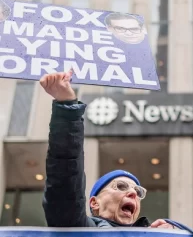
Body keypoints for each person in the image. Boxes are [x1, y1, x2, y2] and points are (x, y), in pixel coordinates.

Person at [40, 70, 173, 229]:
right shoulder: (82, 231)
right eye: (121, 186)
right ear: (95, 203)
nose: (132, 194)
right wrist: (67, 107)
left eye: (138, 192)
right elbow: (65, 181)